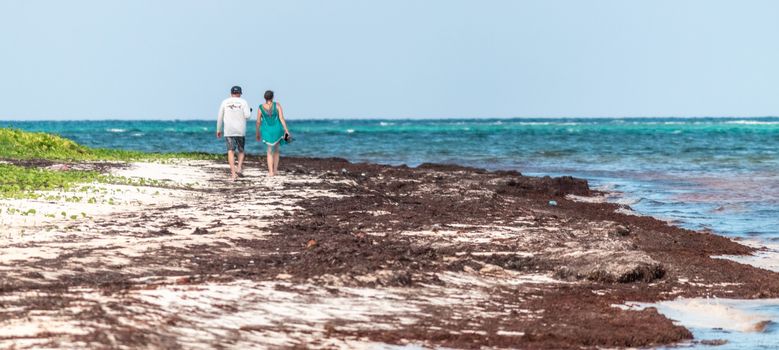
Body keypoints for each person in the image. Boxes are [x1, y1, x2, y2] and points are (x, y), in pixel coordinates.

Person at [216, 85, 251, 181]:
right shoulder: (243, 102)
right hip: (240, 130)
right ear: (240, 93)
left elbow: (220, 117)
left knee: (230, 151)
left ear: (231, 93)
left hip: (229, 130)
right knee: (241, 150)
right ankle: (239, 167)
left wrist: (218, 129)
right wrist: (250, 111)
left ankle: (233, 174)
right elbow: (248, 116)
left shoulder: (225, 102)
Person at [255, 90, 290, 176]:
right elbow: (281, 118)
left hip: (267, 131)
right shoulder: (277, 105)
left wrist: (257, 133)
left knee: (269, 151)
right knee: (277, 150)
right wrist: (286, 130)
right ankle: (275, 171)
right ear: (272, 97)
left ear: (264, 97)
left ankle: (270, 172)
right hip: (277, 129)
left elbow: (258, 122)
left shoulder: (260, 107)